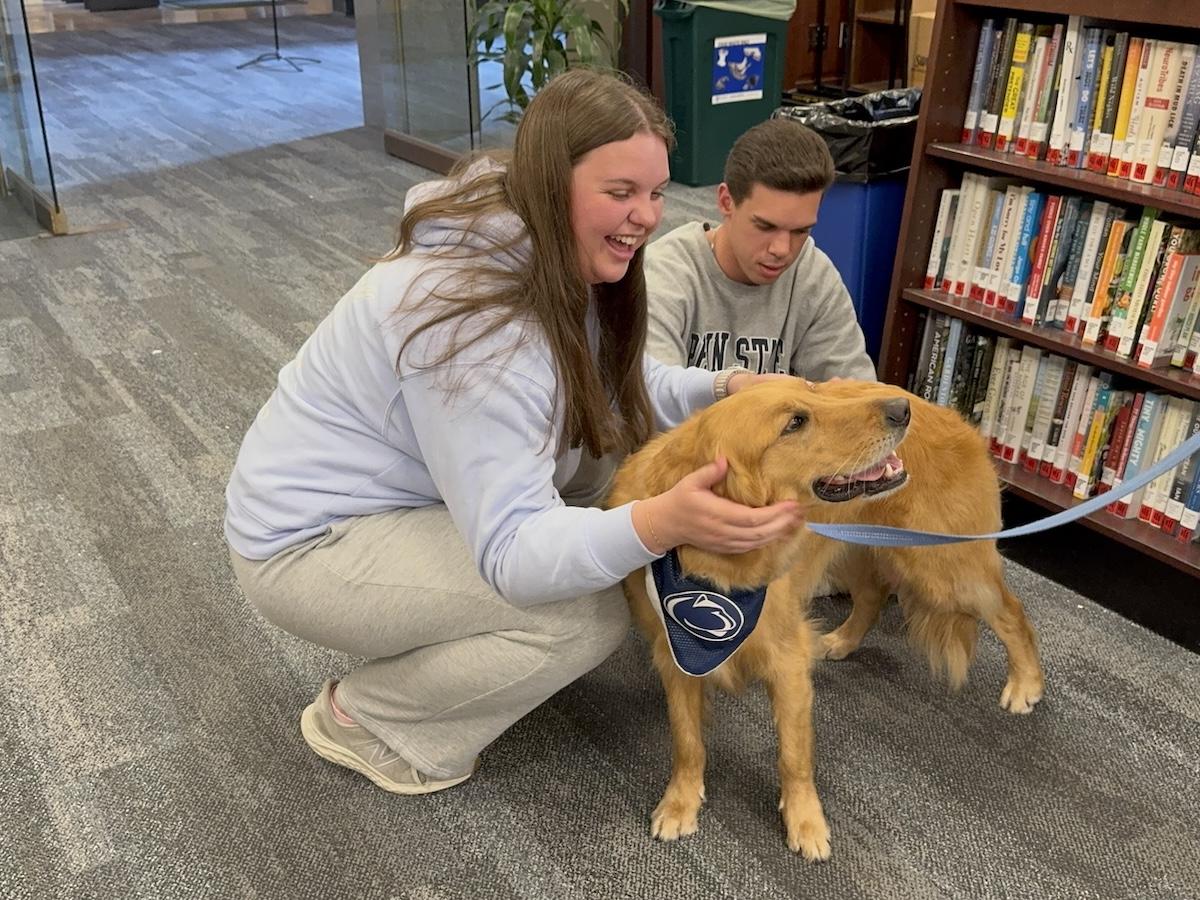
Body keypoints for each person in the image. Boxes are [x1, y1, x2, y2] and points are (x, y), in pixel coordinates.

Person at [224, 69, 803, 796]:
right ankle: (365, 719)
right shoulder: (473, 326)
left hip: (397, 495)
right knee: (581, 617)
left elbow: (618, 388)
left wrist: (721, 389)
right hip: (308, 544)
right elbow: (515, 557)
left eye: (655, 193)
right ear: (551, 182)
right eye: (619, 193)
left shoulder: (542, 240)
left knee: (604, 475)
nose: (648, 216)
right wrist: (658, 523)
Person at [644, 117, 876, 382]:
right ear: (726, 201)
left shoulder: (812, 274)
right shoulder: (665, 273)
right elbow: (652, 400)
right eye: (765, 226)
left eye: (801, 231)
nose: (782, 249)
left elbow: (857, 397)